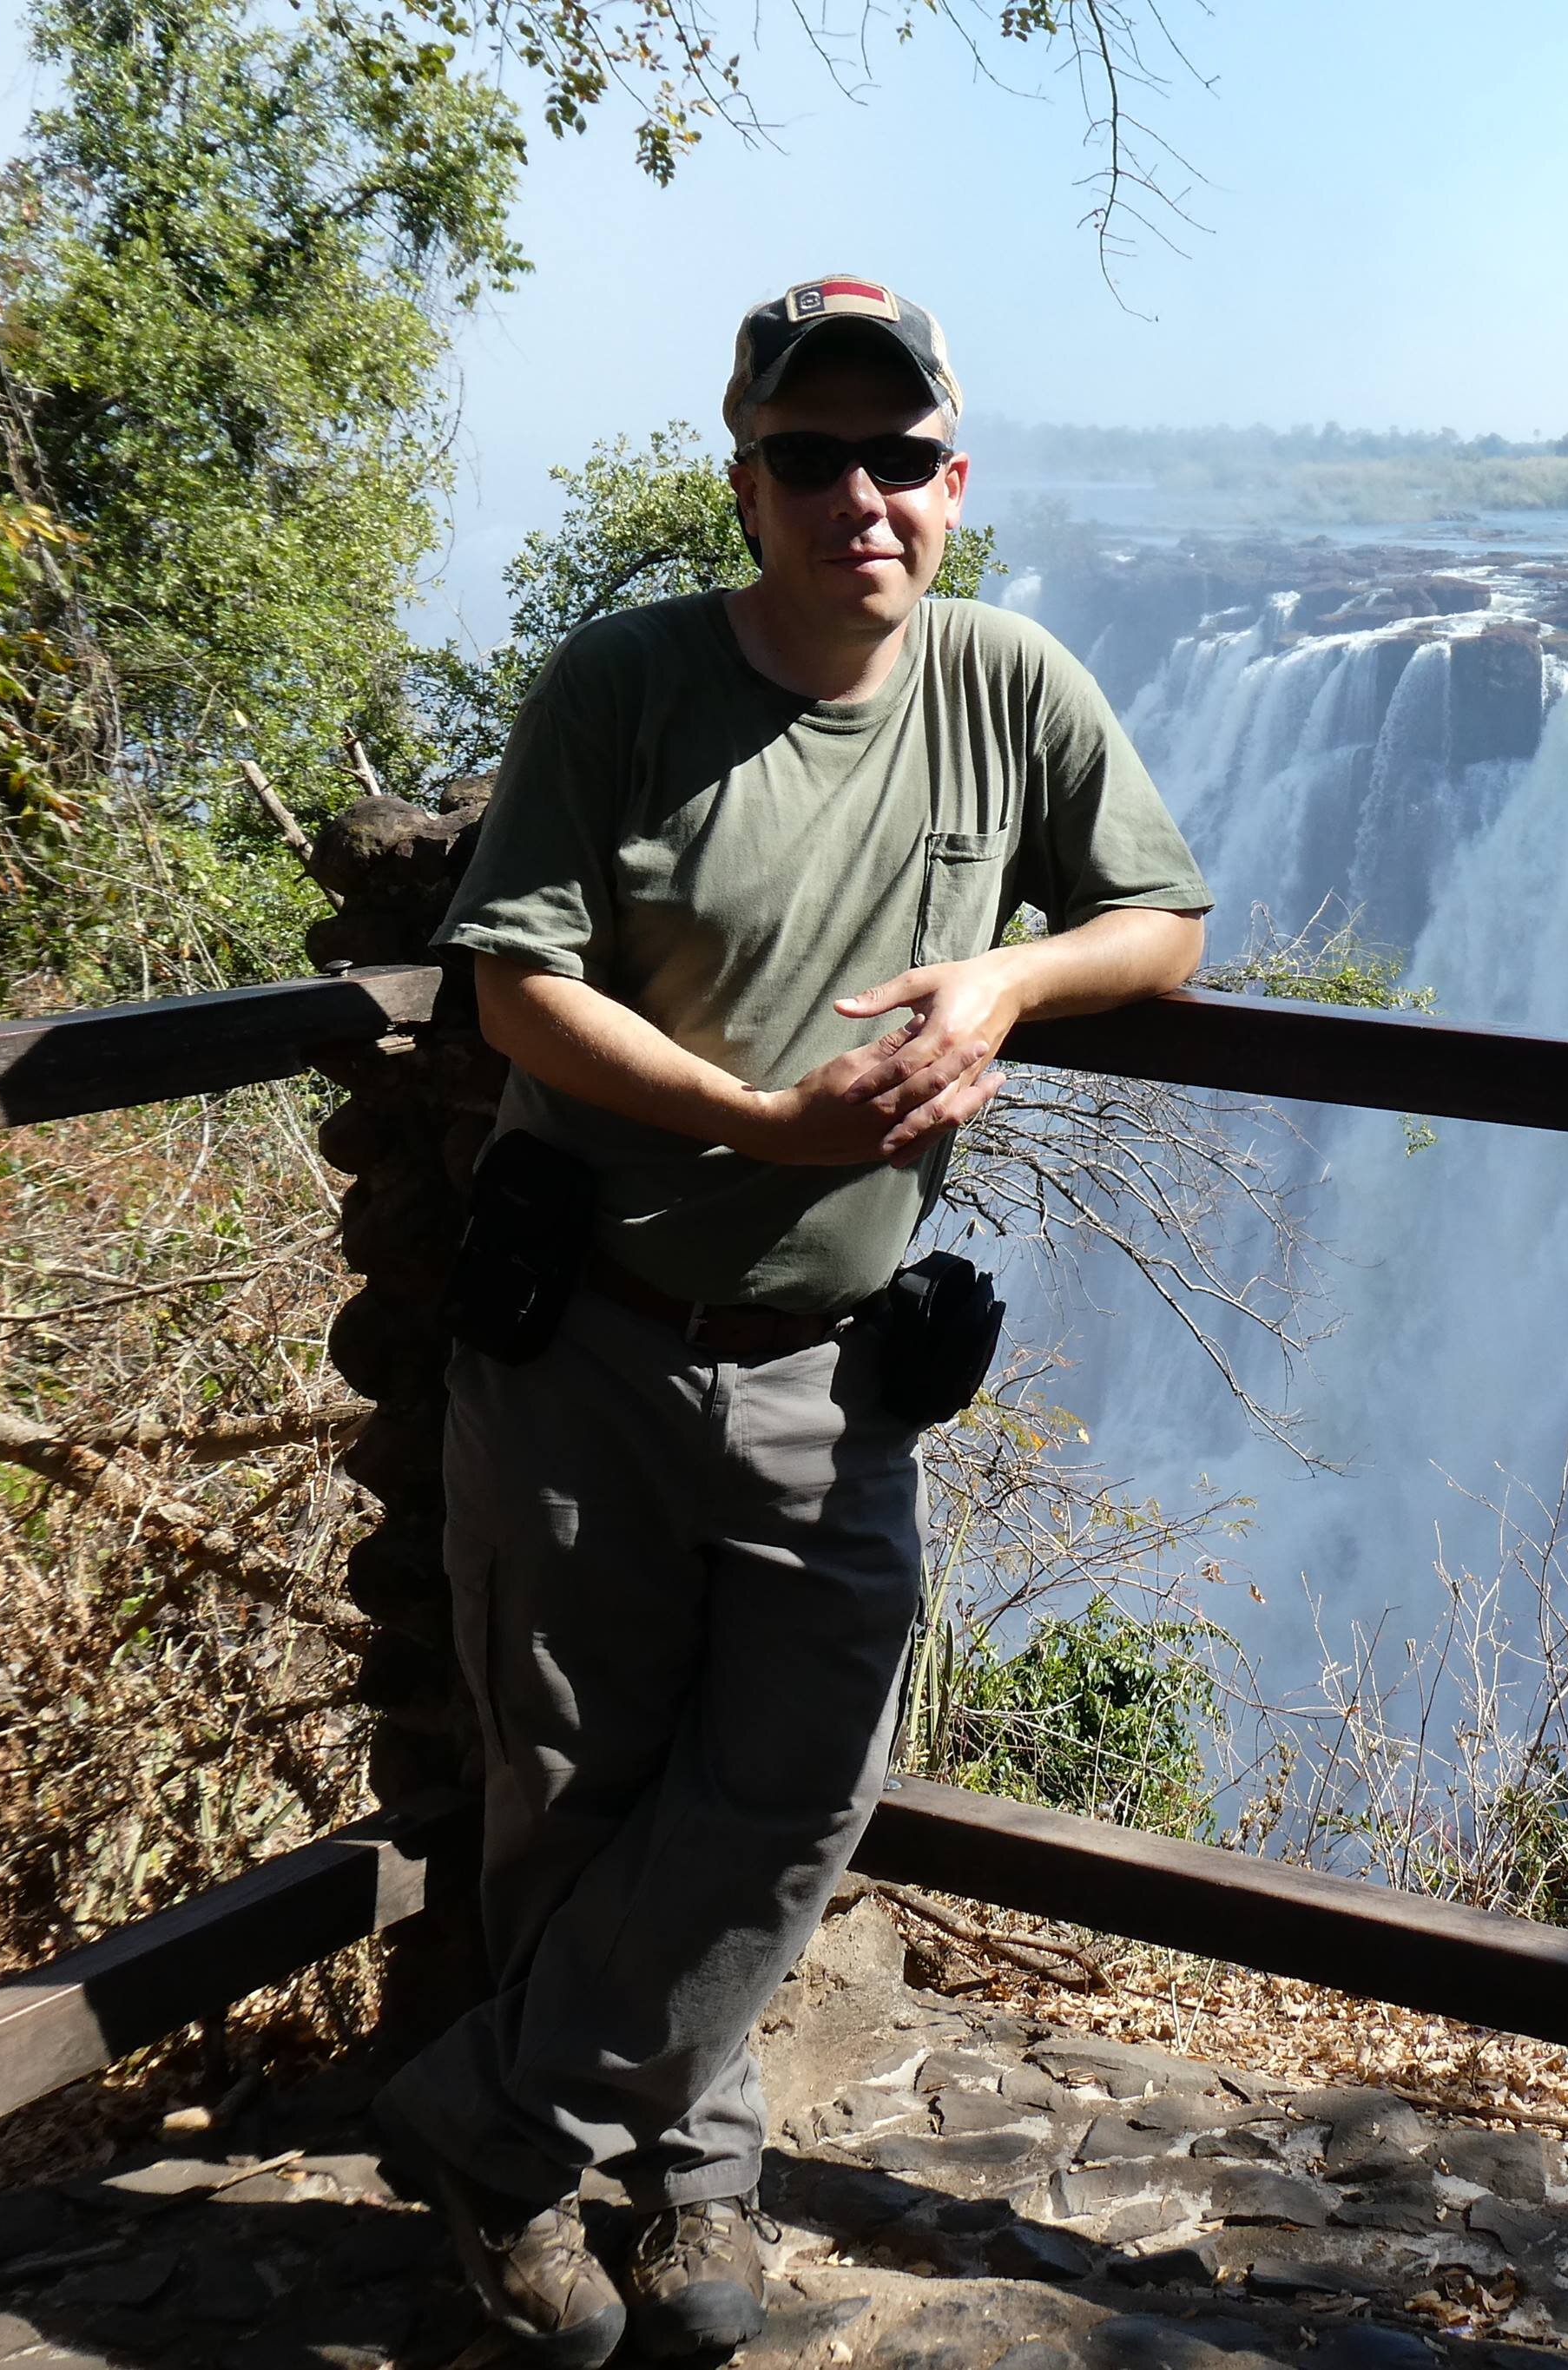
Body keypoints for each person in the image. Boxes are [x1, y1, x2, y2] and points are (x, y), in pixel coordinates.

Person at [371, 273, 1210, 2367]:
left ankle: (488, 2122)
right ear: (743, 476)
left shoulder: (1007, 687)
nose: (861, 495)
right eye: (810, 457)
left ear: (954, 480)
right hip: (591, 1337)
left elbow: (1166, 927)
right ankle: (646, 2196)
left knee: (798, 1776)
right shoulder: (628, 684)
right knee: (573, 1780)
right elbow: (511, 986)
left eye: (899, 458)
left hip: (833, 1377)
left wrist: (1005, 983)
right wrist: (760, 1118)